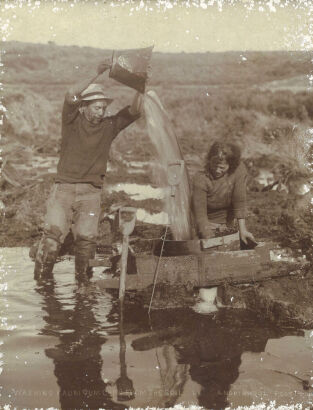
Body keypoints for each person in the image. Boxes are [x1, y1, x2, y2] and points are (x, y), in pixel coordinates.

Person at [34, 60, 142, 281]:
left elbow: (136, 110)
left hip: (91, 192)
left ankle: (82, 288)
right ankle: (42, 287)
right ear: (84, 106)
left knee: (86, 241)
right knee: (52, 238)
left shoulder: (109, 126)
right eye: (97, 107)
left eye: (103, 107)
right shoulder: (71, 121)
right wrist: (98, 72)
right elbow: (71, 93)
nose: (101, 111)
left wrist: (141, 87)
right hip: (64, 189)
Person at [192, 141, 255, 246]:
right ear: (209, 161)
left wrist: (242, 230)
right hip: (206, 223)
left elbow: (239, 200)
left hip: (227, 223)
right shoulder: (201, 178)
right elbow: (200, 213)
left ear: (231, 165)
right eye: (214, 165)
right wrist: (207, 234)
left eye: (222, 167)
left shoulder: (238, 170)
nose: (217, 170)